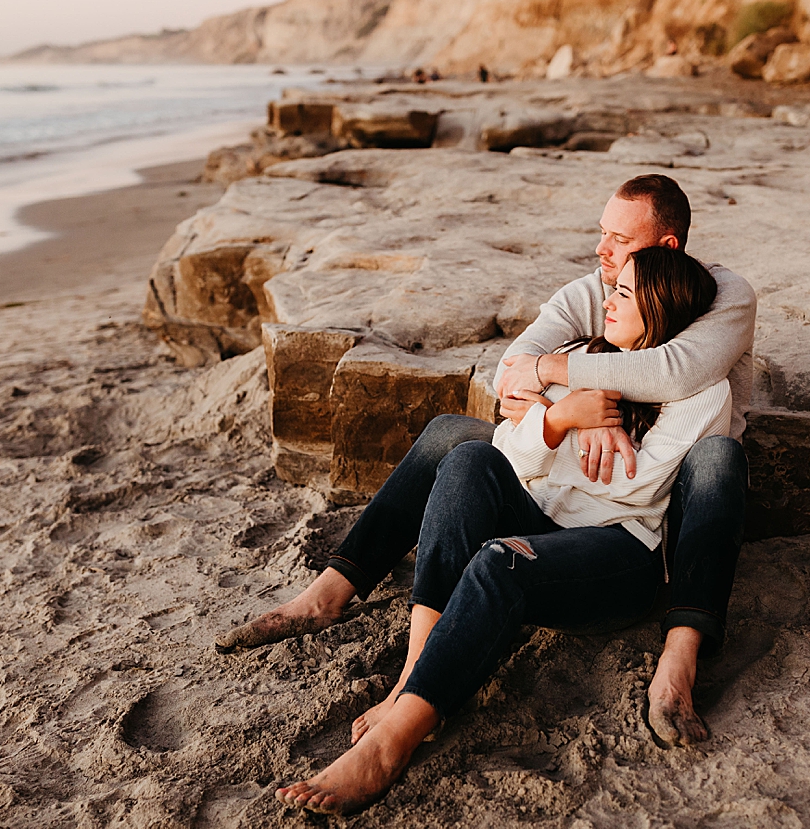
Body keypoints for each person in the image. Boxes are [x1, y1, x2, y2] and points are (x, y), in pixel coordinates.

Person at [217, 174, 756, 747]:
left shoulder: (723, 296)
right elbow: (511, 373)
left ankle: (680, 653)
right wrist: (567, 410)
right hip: (570, 477)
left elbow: (676, 371)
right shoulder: (595, 293)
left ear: (665, 248)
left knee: (719, 459)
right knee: (455, 437)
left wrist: (560, 381)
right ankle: (331, 590)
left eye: (618, 240)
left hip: (669, 489)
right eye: (602, 234)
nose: (601, 251)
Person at [276, 246, 729, 814]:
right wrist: (565, 418)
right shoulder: (587, 356)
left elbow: (632, 490)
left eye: (624, 293)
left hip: (616, 549)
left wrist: (592, 419)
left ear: (660, 309)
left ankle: (392, 746)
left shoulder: (702, 392)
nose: (607, 300)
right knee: (468, 459)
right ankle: (414, 672)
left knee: (497, 560)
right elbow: (510, 448)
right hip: (543, 514)